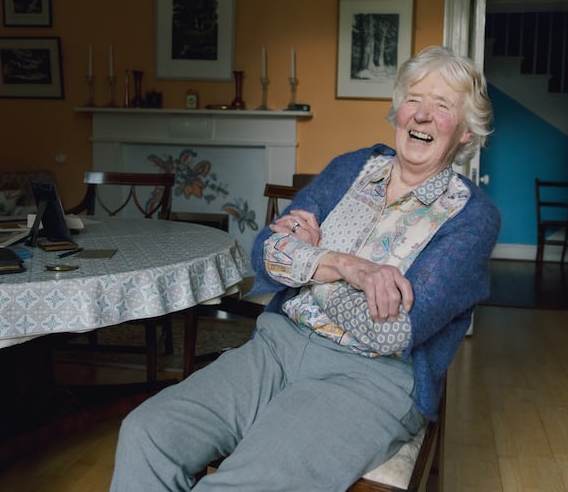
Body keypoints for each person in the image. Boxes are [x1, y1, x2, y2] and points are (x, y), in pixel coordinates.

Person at [110, 45, 500, 492]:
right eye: (413, 98)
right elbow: (265, 252)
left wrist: (309, 268)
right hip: (274, 347)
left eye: (442, 104)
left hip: (370, 378)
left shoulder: (471, 218)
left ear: (467, 132)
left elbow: (392, 331)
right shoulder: (351, 169)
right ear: (397, 110)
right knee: (147, 433)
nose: (422, 115)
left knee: (243, 483)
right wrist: (342, 265)